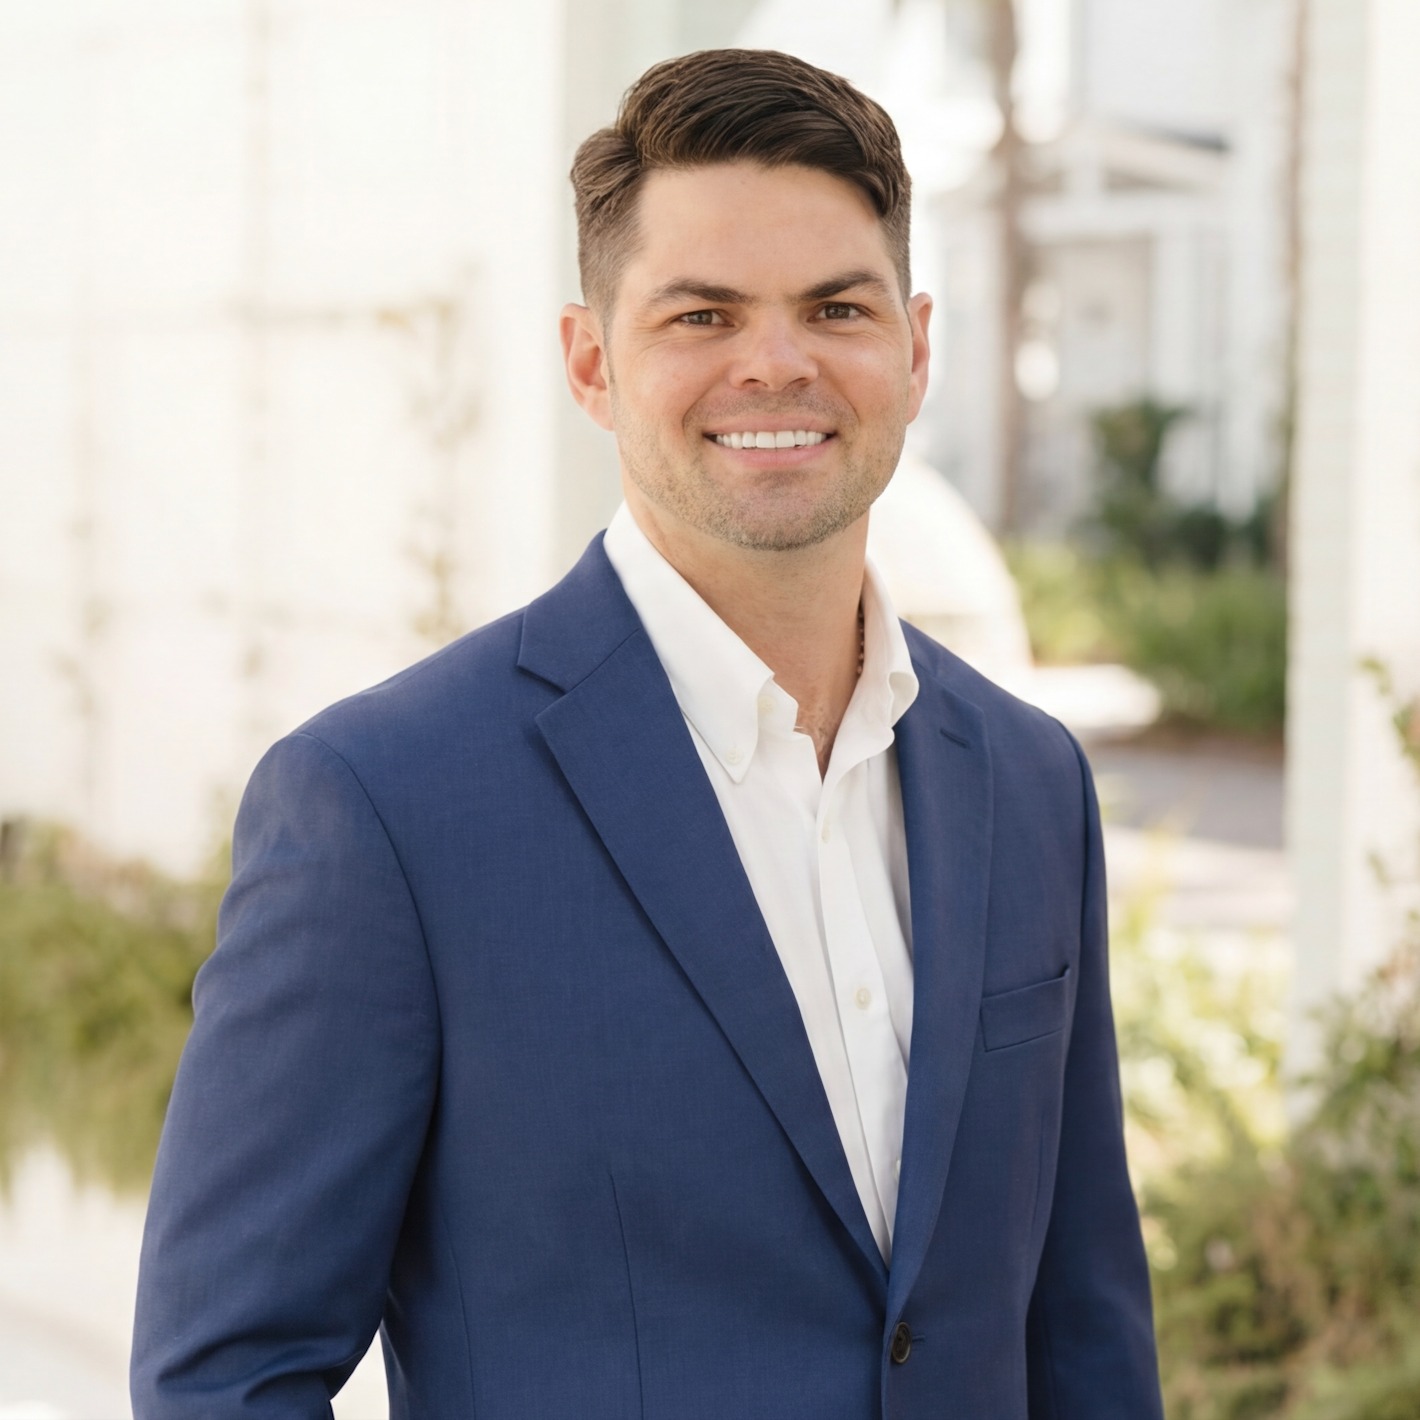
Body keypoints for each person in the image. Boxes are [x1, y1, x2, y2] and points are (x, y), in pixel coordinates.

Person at [132, 47, 1163, 1420]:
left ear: (914, 350)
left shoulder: (1033, 783)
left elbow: (1082, 1332)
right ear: (591, 361)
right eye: (703, 316)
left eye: (835, 307)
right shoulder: (382, 807)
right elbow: (227, 1375)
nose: (778, 363)